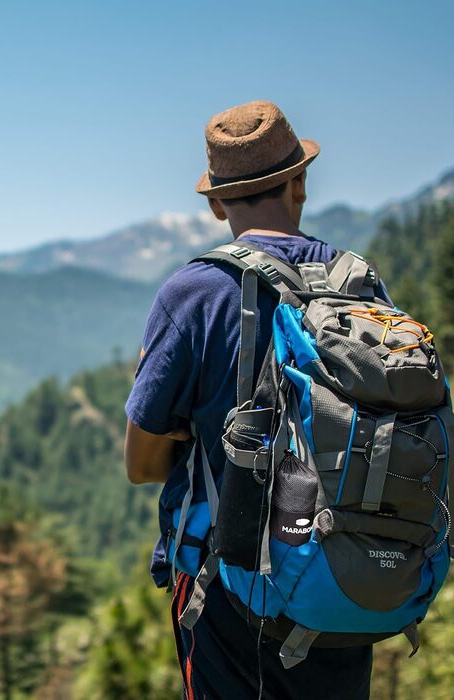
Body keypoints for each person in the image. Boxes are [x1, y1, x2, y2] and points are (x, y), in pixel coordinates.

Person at [124, 100, 380, 699]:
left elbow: (141, 466)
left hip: (231, 590)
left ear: (215, 203)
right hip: (343, 578)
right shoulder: (358, 284)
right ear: (301, 184)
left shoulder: (194, 293)